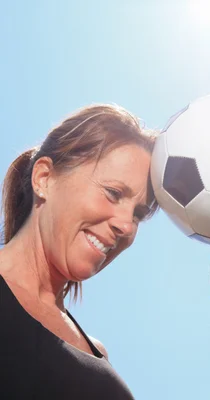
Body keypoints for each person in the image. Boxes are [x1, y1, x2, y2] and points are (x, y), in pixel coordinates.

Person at [0, 104, 158, 399]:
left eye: (138, 214)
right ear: (44, 178)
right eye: (113, 193)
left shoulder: (97, 353)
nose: (126, 225)